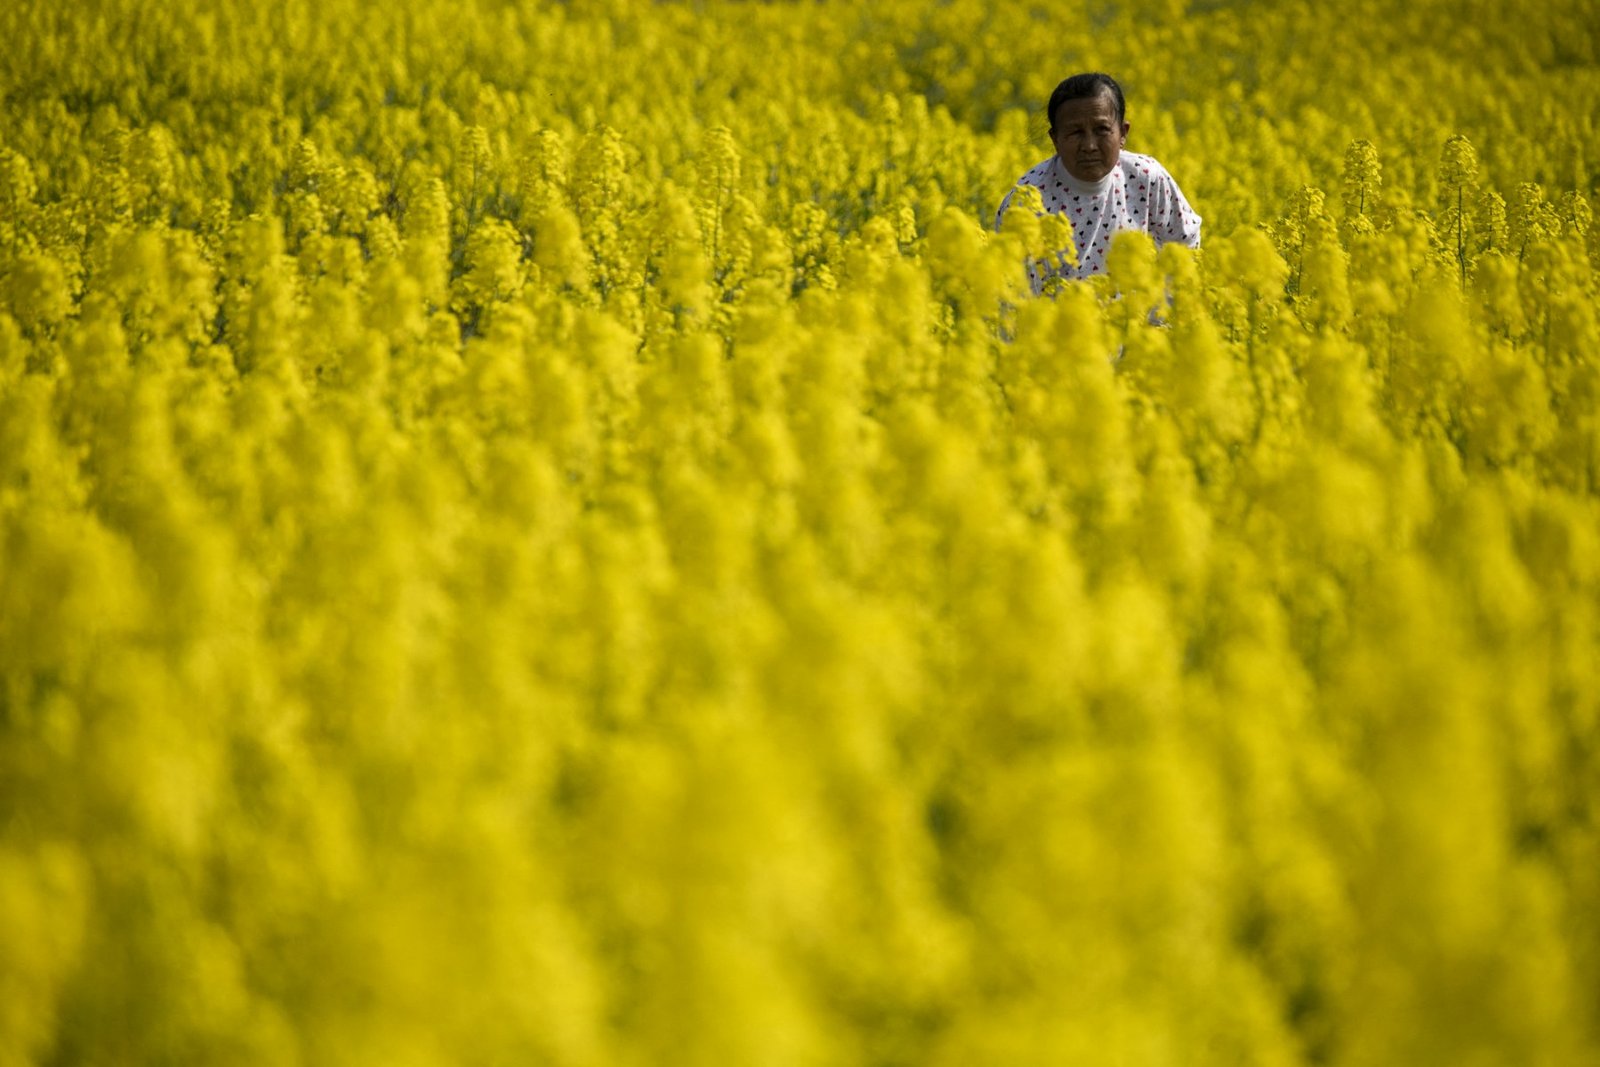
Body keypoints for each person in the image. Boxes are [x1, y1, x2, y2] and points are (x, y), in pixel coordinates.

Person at [997, 72, 1201, 292]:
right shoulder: (1027, 200)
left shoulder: (1147, 178)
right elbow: (1013, 289)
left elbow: (1185, 243)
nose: (1089, 145)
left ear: (1123, 133)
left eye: (1101, 130)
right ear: (1055, 140)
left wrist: (1163, 313)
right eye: (1075, 132)